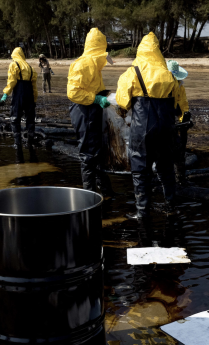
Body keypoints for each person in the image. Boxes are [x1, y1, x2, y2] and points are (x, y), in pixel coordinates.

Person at [115, 32, 189, 219]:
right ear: (158, 51)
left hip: (143, 128)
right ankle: (171, 206)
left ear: (141, 50)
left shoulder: (132, 72)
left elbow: (122, 102)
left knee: (140, 169)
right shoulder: (169, 75)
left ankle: (142, 212)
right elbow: (177, 106)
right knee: (165, 168)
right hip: (166, 128)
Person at [67, 27, 115, 195]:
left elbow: (93, 86)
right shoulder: (84, 63)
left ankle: (105, 191)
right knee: (88, 155)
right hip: (83, 111)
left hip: (91, 110)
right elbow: (73, 92)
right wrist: (96, 99)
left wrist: (105, 96)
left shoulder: (94, 64)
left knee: (97, 152)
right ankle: (89, 196)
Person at [1, 47, 38, 148]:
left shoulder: (14, 64)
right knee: (30, 118)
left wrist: (5, 95)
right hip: (29, 94)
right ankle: (30, 142)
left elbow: (11, 82)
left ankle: (17, 144)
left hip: (19, 94)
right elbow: (34, 87)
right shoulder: (31, 68)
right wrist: (34, 100)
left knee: (15, 118)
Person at [166, 59, 191, 186]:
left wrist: (184, 119)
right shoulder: (162, 86)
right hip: (164, 120)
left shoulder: (180, 85)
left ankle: (180, 179)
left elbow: (183, 103)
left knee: (179, 149)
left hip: (175, 120)